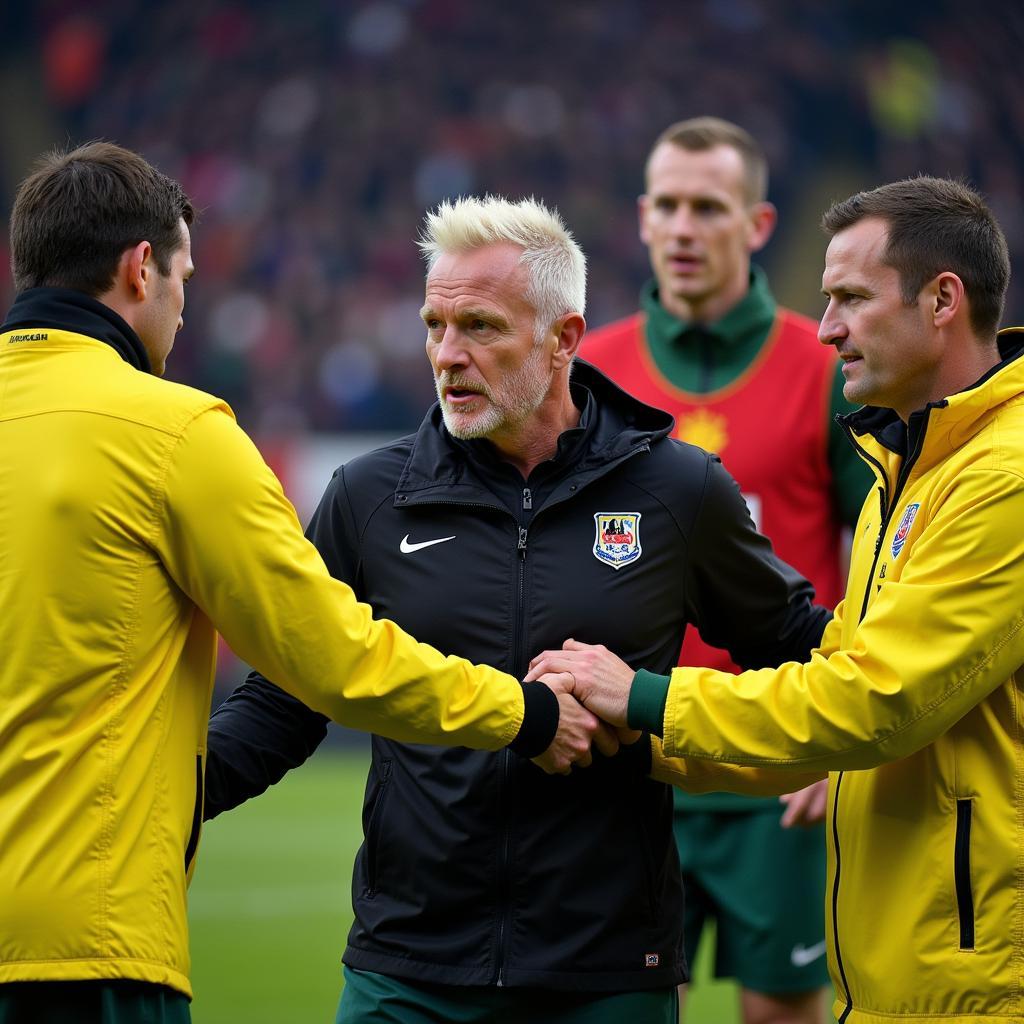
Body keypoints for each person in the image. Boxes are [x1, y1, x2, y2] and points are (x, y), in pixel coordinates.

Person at [0, 144, 596, 1024]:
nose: (180, 311)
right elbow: (331, 655)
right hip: (78, 935)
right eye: (183, 280)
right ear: (139, 270)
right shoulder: (174, 431)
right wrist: (527, 712)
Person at [203, 195, 831, 1024]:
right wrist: (164, 789)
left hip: (607, 971)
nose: (447, 355)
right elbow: (289, 694)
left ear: (563, 339)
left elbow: (800, 644)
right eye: (434, 325)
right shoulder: (369, 496)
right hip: (408, 968)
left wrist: (841, 739)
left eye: (481, 328)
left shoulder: (678, 491)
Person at [527, 176, 1024, 1024]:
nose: (827, 328)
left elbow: (869, 703)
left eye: (851, 300)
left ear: (943, 300)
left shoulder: (1005, 478)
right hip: (907, 974)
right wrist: (634, 741)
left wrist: (643, 694)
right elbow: (838, 713)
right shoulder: (904, 473)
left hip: (978, 985)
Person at [582, 115, 871, 1024]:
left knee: (781, 1011)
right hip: (630, 762)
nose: (682, 227)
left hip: (778, 762)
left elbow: (874, 550)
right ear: (639, 218)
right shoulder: (591, 370)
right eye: (666, 205)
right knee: (613, 1009)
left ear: (757, 224)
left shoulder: (825, 363)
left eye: (708, 207)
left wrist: (843, 737)